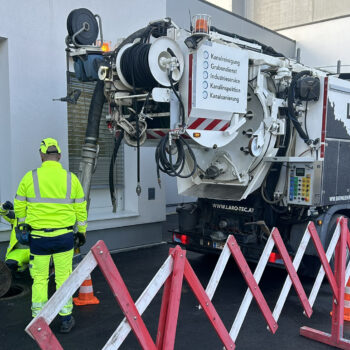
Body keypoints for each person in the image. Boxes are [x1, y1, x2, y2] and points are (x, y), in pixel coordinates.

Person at [14, 138, 87, 333]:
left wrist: (21, 228)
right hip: (64, 238)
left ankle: (39, 320)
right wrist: (81, 232)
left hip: (38, 239)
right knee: (63, 277)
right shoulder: (72, 179)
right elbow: (81, 208)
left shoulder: (30, 177)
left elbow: (19, 206)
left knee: (39, 279)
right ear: (60, 156)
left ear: (41, 156)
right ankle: (65, 319)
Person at [1, 201, 30, 272]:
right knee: (10, 265)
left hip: (38, 250)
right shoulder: (16, 217)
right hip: (18, 251)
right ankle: (21, 272)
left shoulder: (42, 218)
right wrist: (4, 207)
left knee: (40, 270)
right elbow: (4, 212)